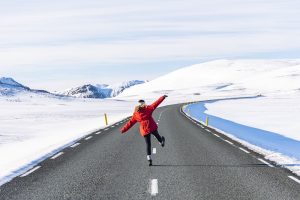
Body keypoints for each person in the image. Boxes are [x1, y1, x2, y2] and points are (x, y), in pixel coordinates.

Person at [120, 95, 168, 166]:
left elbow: (130, 123)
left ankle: (149, 159)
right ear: (143, 104)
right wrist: (163, 97)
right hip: (151, 126)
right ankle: (161, 142)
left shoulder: (136, 114)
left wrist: (123, 130)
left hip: (144, 130)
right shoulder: (148, 109)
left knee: (148, 144)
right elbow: (156, 103)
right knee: (157, 134)